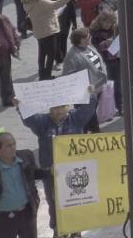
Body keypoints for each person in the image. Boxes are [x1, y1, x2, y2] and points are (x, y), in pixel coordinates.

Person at [18, 92, 98, 236]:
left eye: (62, 107)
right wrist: (20, 105)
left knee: (76, 201)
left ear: (68, 107)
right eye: (55, 107)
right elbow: (28, 119)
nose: (58, 110)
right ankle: (58, 229)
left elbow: (89, 108)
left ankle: (76, 230)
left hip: (74, 171)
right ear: (50, 108)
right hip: (51, 172)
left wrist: (90, 93)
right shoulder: (42, 122)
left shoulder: (76, 119)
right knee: (54, 202)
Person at [0, 133, 52, 238]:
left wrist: (49, 172)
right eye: (9, 146)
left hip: (26, 214)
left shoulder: (26, 156)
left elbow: (34, 174)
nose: (13, 147)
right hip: (2, 219)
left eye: (14, 143)